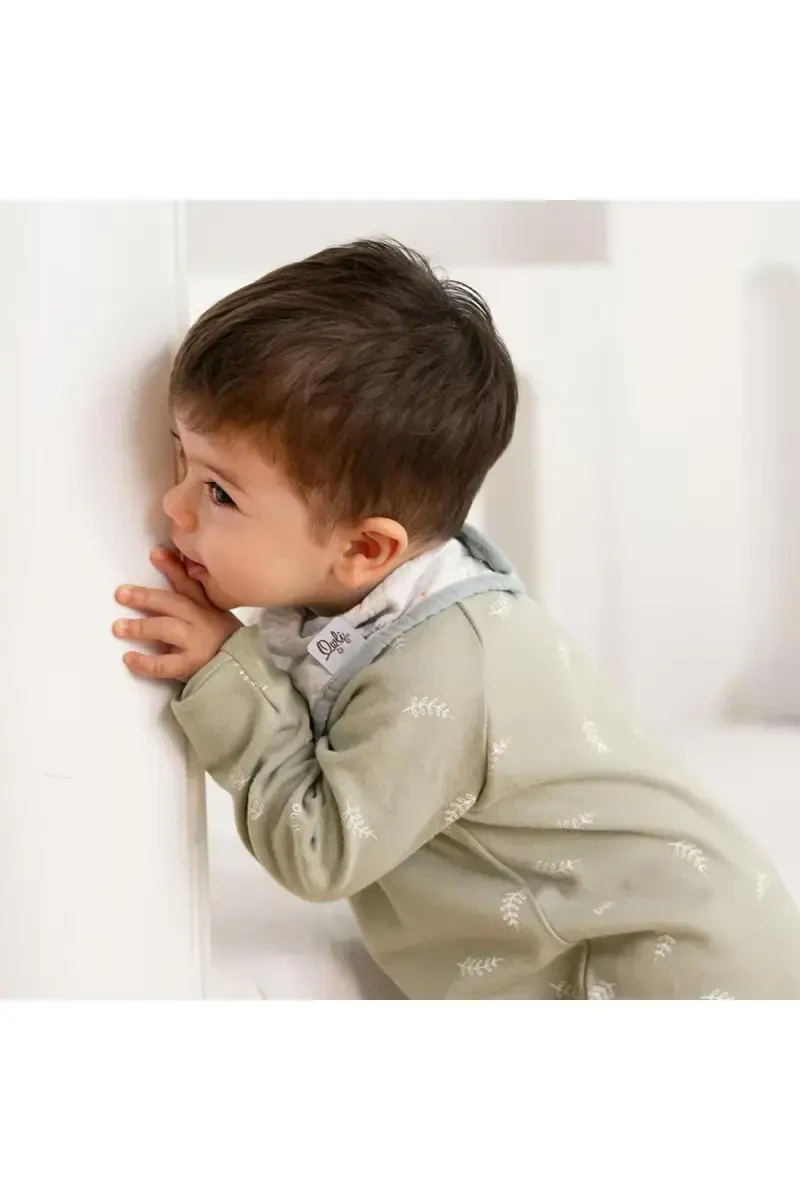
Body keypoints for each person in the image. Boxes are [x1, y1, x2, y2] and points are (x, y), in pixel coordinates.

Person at [113, 238, 800, 999]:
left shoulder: (439, 669)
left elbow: (319, 850)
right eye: (179, 457)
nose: (172, 504)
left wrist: (226, 676)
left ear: (365, 549)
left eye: (219, 493)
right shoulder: (382, 599)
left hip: (663, 975)